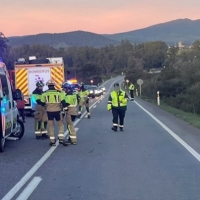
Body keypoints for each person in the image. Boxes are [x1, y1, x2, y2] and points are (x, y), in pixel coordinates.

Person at [41, 80, 67, 146]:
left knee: (50, 126)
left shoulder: (44, 93)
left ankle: (52, 141)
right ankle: (61, 138)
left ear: (48, 86)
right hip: (57, 111)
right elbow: (63, 102)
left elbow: (42, 102)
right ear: (54, 85)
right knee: (60, 125)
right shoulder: (59, 93)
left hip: (49, 112)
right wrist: (66, 109)